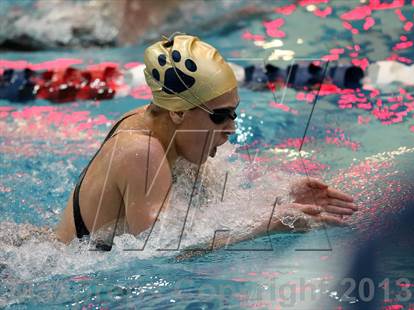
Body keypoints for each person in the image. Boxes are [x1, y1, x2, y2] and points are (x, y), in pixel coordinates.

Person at [54, 33, 357, 250]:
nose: (231, 128)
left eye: (234, 114)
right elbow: (162, 251)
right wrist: (265, 225)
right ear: (179, 113)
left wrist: (283, 198)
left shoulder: (172, 130)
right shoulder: (140, 150)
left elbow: (212, 211)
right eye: (220, 116)